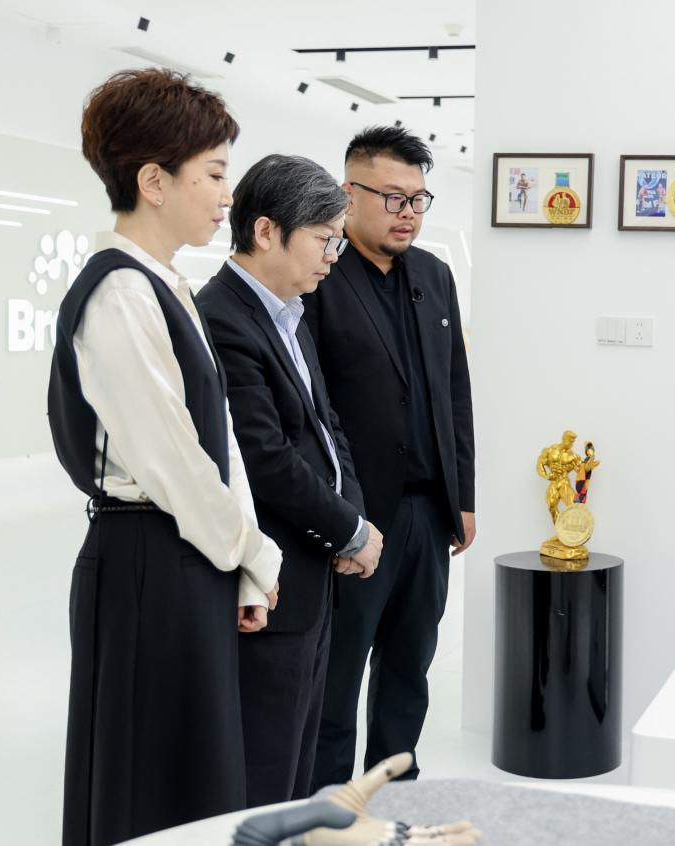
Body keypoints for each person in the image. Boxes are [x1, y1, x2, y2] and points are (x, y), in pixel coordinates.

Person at [48, 68, 281, 846]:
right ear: (154, 181)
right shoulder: (119, 294)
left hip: (182, 556)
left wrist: (243, 561)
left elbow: (217, 443)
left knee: (190, 779)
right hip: (147, 559)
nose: (226, 196)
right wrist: (253, 553)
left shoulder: (163, 284)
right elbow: (174, 461)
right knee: (148, 787)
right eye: (212, 175)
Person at [195, 154, 386, 807]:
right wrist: (349, 529)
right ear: (266, 231)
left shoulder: (291, 312)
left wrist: (353, 520)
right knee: (264, 772)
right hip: (268, 582)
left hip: (313, 572)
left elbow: (328, 430)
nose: (334, 256)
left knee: (301, 764)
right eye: (324, 239)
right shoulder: (221, 318)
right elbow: (264, 457)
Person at [307, 126, 476, 786]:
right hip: (356, 516)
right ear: (348, 195)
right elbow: (311, 409)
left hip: (428, 515)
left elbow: (454, 391)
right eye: (393, 198)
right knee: (337, 673)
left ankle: (395, 789)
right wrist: (335, 516)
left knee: (410, 667)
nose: (408, 213)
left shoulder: (433, 275)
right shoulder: (318, 276)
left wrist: (463, 499)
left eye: (418, 199)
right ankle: (326, 804)